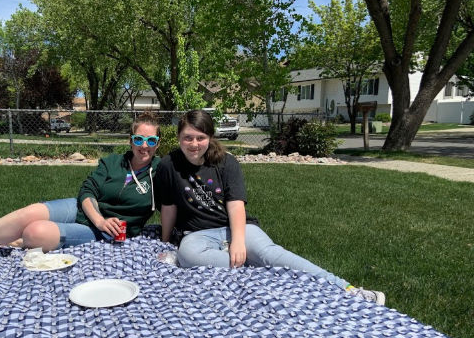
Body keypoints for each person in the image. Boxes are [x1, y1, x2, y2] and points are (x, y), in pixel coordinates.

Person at [155, 109, 385, 305]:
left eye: (200, 138)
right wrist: (166, 241)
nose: (194, 144)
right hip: (198, 235)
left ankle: (348, 289)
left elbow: (235, 207)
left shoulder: (226, 162)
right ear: (178, 138)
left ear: (210, 137)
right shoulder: (168, 164)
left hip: (236, 228)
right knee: (186, 255)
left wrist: (237, 241)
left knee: (271, 254)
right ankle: (264, 272)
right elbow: (168, 206)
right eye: (187, 138)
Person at [0, 111, 161, 253]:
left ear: (158, 144)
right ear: (130, 141)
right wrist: (98, 219)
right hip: (88, 211)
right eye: (138, 139)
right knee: (30, 212)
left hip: (106, 233)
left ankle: (20, 241)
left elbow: (175, 198)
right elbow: (87, 191)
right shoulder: (113, 162)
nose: (144, 145)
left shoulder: (161, 170)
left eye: (151, 140)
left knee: (35, 233)